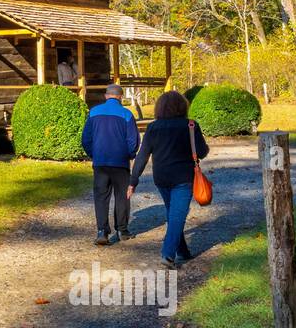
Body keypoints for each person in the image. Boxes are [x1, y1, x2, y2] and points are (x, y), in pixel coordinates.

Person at [128, 90, 209, 267]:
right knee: (177, 215)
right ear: (183, 107)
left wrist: (133, 180)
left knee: (174, 213)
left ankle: (183, 251)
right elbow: (202, 152)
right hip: (183, 177)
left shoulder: (153, 127)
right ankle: (168, 254)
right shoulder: (191, 125)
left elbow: (142, 156)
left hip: (162, 177)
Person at [81, 83, 140, 246]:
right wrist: (129, 154)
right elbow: (133, 141)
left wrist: (93, 154)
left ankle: (102, 231)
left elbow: (86, 139)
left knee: (101, 196)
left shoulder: (93, 112)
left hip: (100, 162)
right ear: (120, 97)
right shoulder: (126, 114)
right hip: (120, 162)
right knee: (122, 196)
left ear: (106, 96)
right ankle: (122, 230)